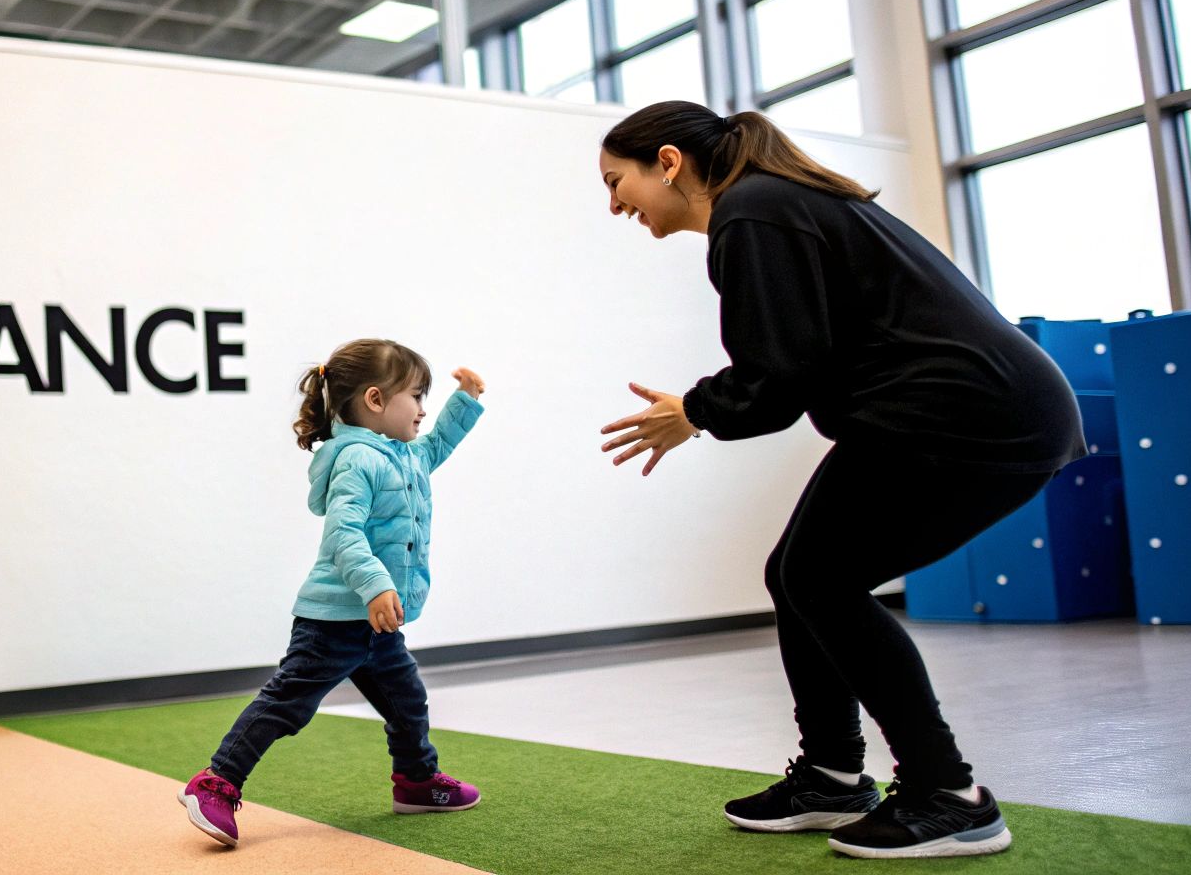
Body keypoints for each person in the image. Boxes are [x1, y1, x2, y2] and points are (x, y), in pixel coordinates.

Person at [596, 101, 1083, 860]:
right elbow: (798, 366)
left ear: (667, 161)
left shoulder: (752, 211)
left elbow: (780, 378)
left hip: (966, 415)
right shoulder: (771, 203)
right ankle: (830, 775)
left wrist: (693, 410)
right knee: (798, 576)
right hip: (959, 409)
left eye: (616, 180)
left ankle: (948, 794)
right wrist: (701, 410)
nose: (614, 204)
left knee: (818, 580)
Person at [179, 339, 487, 847]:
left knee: (407, 700)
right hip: (332, 621)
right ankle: (214, 783)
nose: (423, 409)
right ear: (374, 400)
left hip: (376, 626)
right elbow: (344, 534)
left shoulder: (404, 456)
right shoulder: (357, 462)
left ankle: (415, 781)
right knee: (287, 705)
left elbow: (434, 447)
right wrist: (376, 584)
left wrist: (465, 401)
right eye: (416, 396)